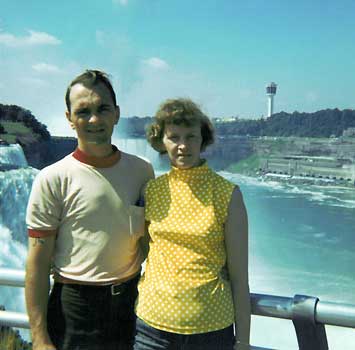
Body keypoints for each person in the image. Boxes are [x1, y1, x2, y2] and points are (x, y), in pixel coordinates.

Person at [25, 70, 154, 350]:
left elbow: (152, 240)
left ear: (116, 114)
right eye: (83, 111)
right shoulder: (52, 178)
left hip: (132, 306)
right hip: (74, 310)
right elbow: (37, 263)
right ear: (70, 119)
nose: (94, 119)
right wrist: (39, 337)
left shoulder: (142, 171)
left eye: (102, 108)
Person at [134, 98, 251, 350]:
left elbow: (240, 277)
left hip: (210, 330)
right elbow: (145, 250)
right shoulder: (151, 191)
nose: (183, 146)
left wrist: (242, 341)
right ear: (161, 142)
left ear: (203, 139)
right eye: (174, 137)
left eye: (191, 136)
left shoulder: (227, 194)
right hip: (150, 329)